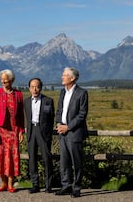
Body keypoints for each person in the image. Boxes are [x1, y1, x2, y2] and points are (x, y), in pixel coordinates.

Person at [55, 67, 89, 198]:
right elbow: (59, 110)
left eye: (64, 75)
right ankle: (66, 186)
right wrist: (58, 123)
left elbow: (82, 115)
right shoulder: (62, 92)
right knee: (64, 161)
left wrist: (68, 127)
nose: (62, 77)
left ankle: (77, 187)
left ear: (72, 78)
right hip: (62, 132)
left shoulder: (82, 93)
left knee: (77, 162)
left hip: (74, 133)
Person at [0, 69, 25, 193]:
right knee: (1, 156)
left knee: (12, 156)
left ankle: (10, 183)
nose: (3, 81)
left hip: (13, 130)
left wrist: (21, 130)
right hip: (0, 130)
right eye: (2, 79)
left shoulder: (18, 94)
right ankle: (3, 182)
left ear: (12, 80)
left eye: (5, 79)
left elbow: (21, 115)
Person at [23, 78, 55, 194]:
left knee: (47, 159)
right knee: (32, 159)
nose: (35, 89)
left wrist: (48, 132)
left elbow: (51, 118)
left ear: (41, 87)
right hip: (31, 131)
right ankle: (35, 185)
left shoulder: (48, 101)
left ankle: (48, 185)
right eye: (32, 87)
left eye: (37, 87)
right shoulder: (26, 102)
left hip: (43, 132)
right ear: (29, 88)